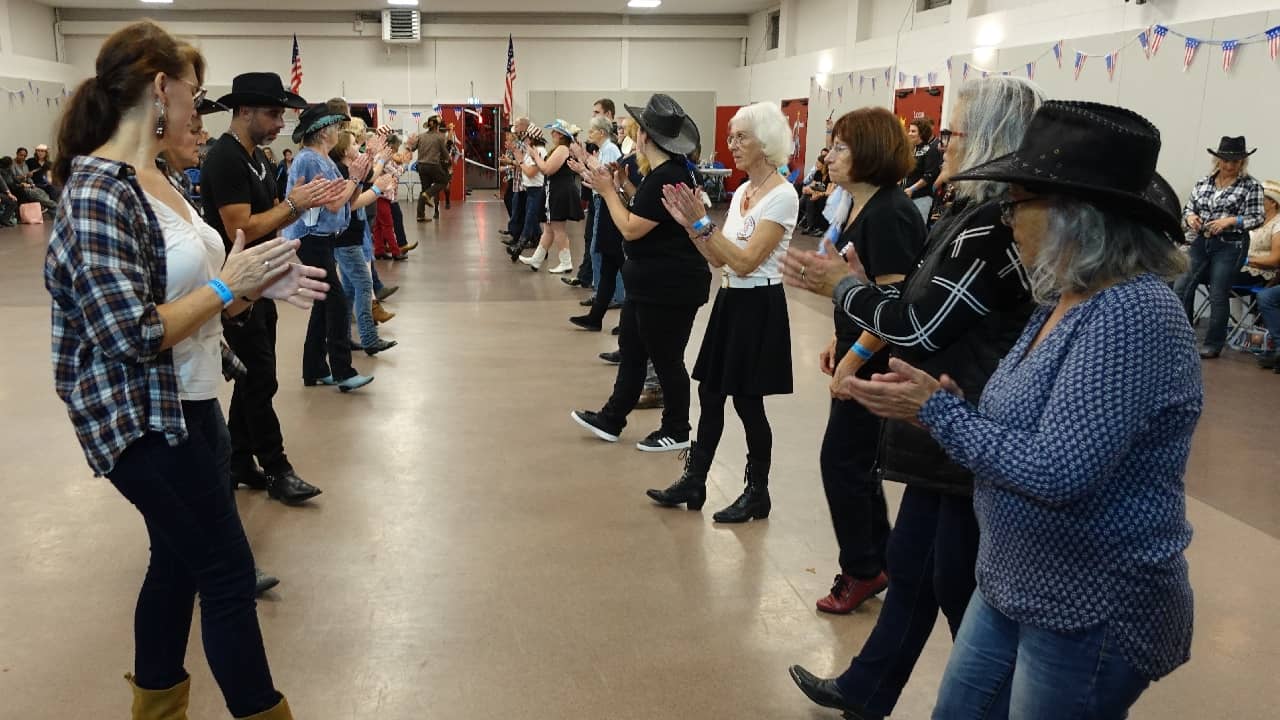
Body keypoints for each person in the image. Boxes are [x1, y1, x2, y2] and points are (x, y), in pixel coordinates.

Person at [843, 101, 1198, 720]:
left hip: (1088, 608)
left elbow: (1060, 471)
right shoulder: (1063, 298)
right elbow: (1026, 427)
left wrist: (940, 415)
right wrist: (945, 405)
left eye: (1017, 200)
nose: (1004, 217)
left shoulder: (1132, 314)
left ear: (1077, 216)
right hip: (1015, 586)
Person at [46, 23, 328, 719]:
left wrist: (250, 286)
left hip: (192, 403)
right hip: (142, 420)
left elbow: (190, 295)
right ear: (159, 88)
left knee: (175, 565)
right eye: (195, 95)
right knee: (227, 575)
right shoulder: (97, 193)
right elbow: (128, 333)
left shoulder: (160, 180)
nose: (200, 112)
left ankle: (157, 707)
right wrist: (229, 288)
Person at [784, 76, 1044, 719]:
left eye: (953, 131)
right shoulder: (963, 213)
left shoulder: (989, 228)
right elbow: (910, 308)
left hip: (967, 412)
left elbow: (918, 323)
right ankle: (868, 690)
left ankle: (991, 705)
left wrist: (845, 289)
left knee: (955, 580)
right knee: (914, 563)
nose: (942, 142)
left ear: (987, 138)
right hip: (942, 417)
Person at [788, 107, 931, 620]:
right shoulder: (859, 208)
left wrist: (852, 358)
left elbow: (893, 308)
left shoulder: (891, 213)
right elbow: (857, 288)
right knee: (855, 462)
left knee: (843, 463)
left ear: (869, 153)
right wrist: (836, 334)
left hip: (877, 359)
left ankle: (862, 567)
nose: (828, 155)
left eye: (841, 147)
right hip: (859, 349)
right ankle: (879, 559)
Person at [645, 101, 798, 521]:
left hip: (759, 304)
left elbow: (747, 261)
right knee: (710, 394)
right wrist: (690, 226)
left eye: (740, 136)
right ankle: (696, 480)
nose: (731, 144)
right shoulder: (744, 193)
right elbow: (720, 259)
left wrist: (700, 225)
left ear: (765, 142)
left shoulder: (782, 196)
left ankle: (757, 491)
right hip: (731, 300)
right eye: (730, 136)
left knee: (749, 403)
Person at [203, 71, 343, 504]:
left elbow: (271, 223)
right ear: (243, 111)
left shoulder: (258, 158)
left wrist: (286, 256)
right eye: (272, 113)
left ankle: (239, 458)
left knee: (253, 379)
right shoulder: (225, 159)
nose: (281, 122)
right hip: (238, 288)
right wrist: (294, 205)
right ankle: (276, 466)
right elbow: (241, 226)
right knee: (261, 377)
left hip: (263, 282)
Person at [570, 94, 709, 452]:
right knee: (632, 349)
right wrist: (617, 187)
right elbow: (646, 211)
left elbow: (631, 227)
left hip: (671, 286)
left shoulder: (669, 176)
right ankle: (613, 417)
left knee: (666, 358)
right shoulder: (662, 174)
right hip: (649, 284)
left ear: (647, 137)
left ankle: (677, 428)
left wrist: (607, 193)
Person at [283, 103, 376, 392]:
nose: (338, 133)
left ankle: (314, 368)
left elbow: (346, 200)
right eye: (335, 128)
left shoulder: (321, 160)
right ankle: (341, 370)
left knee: (324, 304)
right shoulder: (310, 160)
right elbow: (334, 202)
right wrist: (355, 179)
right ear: (323, 132)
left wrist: (357, 180)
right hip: (310, 237)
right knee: (334, 301)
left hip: (322, 237)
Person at [1174, 135, 1265, 358]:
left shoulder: (1250, 186)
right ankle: (1182, 337)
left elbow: (1257, 217)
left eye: (1234, 161)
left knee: (1218, 292)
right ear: (1218, 160)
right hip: (1201, 240)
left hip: (1230, 245)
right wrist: (1191, 218)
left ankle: (1213, 343)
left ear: (1242, 162)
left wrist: (1232, 221)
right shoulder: (1204, 182)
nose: (1229, 165)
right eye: (1225, 160)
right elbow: (1188, 209)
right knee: (1181, 286)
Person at [328, 129, 398, 356]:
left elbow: (364, 180)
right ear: (343, 148)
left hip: (351, 236)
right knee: (365, 286)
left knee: (349, 290)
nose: (357, 146)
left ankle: (345, 337)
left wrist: (375, 158)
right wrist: (379, 188)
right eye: (353, 143)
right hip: (346, 239)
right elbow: (353, 202)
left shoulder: (348, 169)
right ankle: (369, 338)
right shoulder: (340, 171)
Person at [568, 116, 625, 331]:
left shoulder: (610, 150)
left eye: (592, 131)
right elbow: (596, 177)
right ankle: (600, 307)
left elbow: (605, 178)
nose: (589, 134)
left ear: (601, 132)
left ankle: (616, 297)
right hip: (600, 200)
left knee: (604, 253)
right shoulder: (603, 150)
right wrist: (582, 168)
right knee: (602, 254)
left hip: (606, 202)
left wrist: (585, 164)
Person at [518, 119, 581, 273]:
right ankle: (537, 259)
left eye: (554, 131)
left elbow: (547, 169)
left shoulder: (562, 150)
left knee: (557, 227)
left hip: (559, 192)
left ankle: (566, 261)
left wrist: (535, 156)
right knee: (548, 228)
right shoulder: (559, 149)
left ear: (560, 135)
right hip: (554, 191)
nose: (551, 134)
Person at [1242, 180, 1280, 371]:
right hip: (1244, 266)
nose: (1257, 201)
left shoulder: (1278, 224)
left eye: (1262, 199)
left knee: (1217, 275)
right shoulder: (1255, 220)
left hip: (1261, 270)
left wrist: (1246, 261)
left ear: (1273, 202)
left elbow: (1275, 259)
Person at [507, 126, 548, 262]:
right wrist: (519, 160)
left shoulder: (540, 152)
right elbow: (524, 167)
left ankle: (518, 248)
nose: (525, 140)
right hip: (530, 189)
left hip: (537, 190)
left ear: (532, 139)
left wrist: (520, 160)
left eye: (527, 137)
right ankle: (542, 248)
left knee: (529, 220)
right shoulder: (532, 151)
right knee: (532, 221)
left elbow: (530, 172)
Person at [406, 115, 450, 222]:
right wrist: (448, 161)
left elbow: (412, 148)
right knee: (443, 181)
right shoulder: (440, 137)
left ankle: (420, 215)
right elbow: (444, 153)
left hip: (421, 166)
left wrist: (408, 144)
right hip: (433, 165)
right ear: (437, 126)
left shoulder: (421, 136)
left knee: (424, 188)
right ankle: (428, 195)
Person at [903, 117, 942, 222]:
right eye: (909, 130)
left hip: (923, 197)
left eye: (913, 131)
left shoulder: (931, 150)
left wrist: (912, 189)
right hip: (908, 197)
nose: (910, 133)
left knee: (917, 229)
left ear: (922, 133)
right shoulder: (913, 149)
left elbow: (929, 176)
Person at [797, 155, 832, 235]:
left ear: (824, 165)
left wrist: (816, 192)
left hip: (825, 196)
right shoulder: (818, 173)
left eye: (818, 163)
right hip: (817, 193)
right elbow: (813, 186)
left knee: (809, 199)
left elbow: (828, 191)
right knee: (806, 197)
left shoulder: (829, 176)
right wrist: (810, 190)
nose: (816, 164)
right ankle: (809, 226)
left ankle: (810, 226)